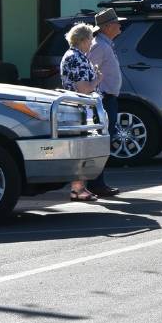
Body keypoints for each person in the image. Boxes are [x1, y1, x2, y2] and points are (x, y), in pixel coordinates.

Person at [60, 22, 102, 202]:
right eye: (91, 39)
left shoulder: (70, 55)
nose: (92, 43)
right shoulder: (77, 58)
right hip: (80, 110)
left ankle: (79, 188)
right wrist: (98, 79)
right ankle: (78, 189)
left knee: (81, 149)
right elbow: (83, 88)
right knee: (83, 149)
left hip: (75, 109)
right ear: (83, 40)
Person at [85, 8, 123, 198]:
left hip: (108, 98)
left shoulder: (106, 43)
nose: (120, 25)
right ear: (107, 27)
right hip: (104, 99)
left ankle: (96, 183)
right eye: (116, 22)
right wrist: (96, 92)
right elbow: (90, 69)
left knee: (104, 140)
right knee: (102, 141)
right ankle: (95, 184)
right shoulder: (100, 45)